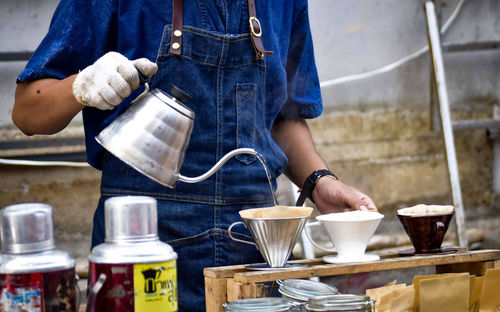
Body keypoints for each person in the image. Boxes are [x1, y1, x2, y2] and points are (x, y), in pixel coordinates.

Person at [12, 0, 377, 310]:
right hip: (141, 247)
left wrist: (319, 181)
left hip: (255, 246)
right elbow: (28, 111)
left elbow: (282, 119)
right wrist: (81, 86)